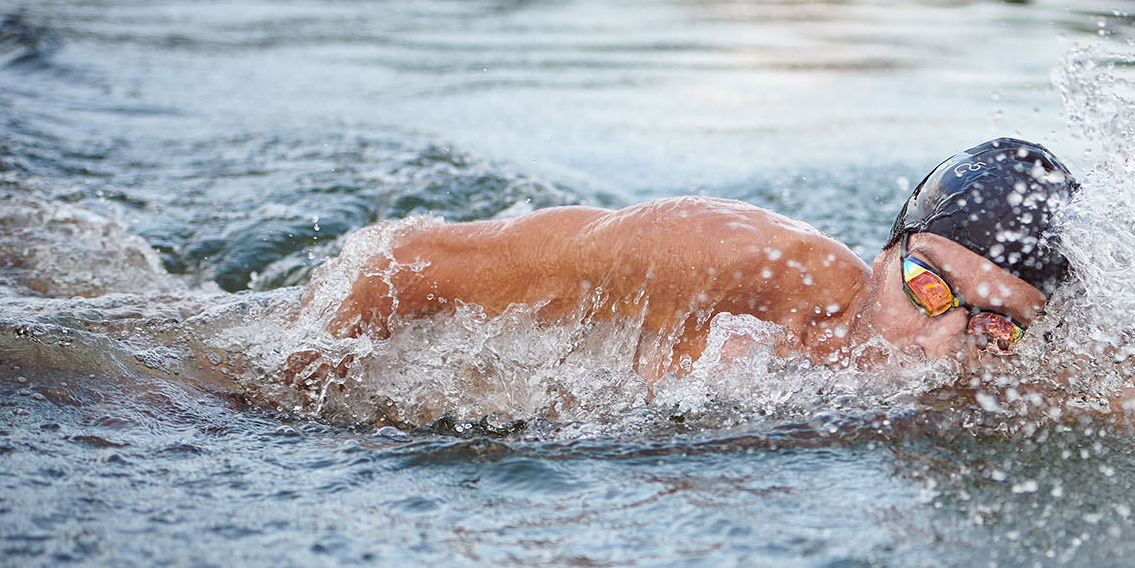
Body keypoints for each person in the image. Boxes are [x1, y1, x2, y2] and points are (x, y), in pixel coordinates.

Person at [310, 138, 1076, 382]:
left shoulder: (1001, 387)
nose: (937, 347)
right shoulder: (738, 263)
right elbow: (406, 257)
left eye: (995, 327)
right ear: (886, 254)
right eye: (927, 289)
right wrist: (272, 397)